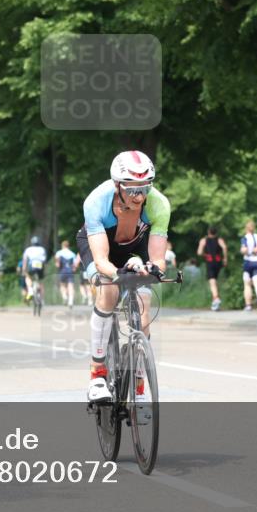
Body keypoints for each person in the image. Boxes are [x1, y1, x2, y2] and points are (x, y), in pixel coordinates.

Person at [78, 150, 170, 422]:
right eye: (132, 189)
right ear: (118, 185)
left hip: (134, 248)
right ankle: (97, 374)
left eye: (144, 188)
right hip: (101, 247)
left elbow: (158, 259)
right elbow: (102, 260)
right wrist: (119, 273)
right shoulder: (97, 201)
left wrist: (151, 269)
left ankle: (139, 389)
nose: (138, 196)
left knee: (144, 306)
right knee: (108, 289)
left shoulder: (159, 204)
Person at [197, 226, 228, 311]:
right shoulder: (219, 240)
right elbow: (224, 247)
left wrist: (204, 254)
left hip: (210, 262)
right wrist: (225, 259)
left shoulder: (204, 240)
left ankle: (216, 298)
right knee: (215, 280)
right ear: (216, 232)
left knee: (212, 280)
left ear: (208, 232)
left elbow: (199, 252)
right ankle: (216, 301)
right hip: (218, 262)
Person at [239, 220, 257, 314]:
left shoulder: (245, 238)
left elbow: (244, 250)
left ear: (246, 228)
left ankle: (248, 305)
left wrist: (244, 251)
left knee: (247, 284)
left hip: (248, 262)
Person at [22, 236, 47, 303]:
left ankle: (30, 291)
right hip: (40, 266)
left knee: (27, 277)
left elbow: (25, 260)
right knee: (41, 282)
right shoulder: (42, 249)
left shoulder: (28, 249)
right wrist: (45, 270)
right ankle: (42, 299)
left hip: (32, 266)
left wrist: (24, 270)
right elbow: (44, 260)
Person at [55, 240, 77, 308]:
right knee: (71, 286)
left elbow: (57, 265)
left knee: (62, 285)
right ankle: (70, 301)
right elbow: (74, 266)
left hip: (62, 271)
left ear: (62, 246)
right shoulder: (73, 254)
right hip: (70, 272)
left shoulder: (59, 253)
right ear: (68, 246)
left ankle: (64, 297)